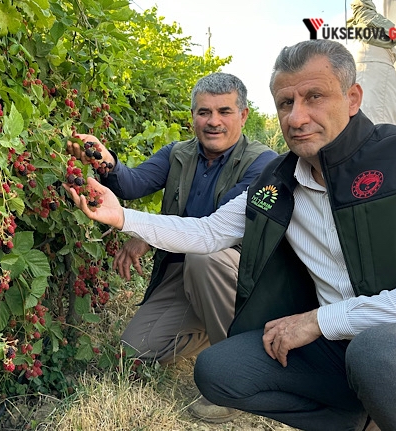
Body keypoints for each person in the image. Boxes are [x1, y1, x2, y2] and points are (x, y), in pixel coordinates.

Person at [65, 39, 396, 431]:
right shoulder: (279, 182)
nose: (297, 117)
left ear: (353, 98)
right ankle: (356, 418)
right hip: (339, 348)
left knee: (379, 351)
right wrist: (121, 217)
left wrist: (317, 321)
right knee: (220, 369)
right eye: (286, 103)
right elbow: (209, 231)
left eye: (314, 96)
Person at [66, 72, 277, 423]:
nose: (213, 122)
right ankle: (212, 329)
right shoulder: (178, 154)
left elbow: (215, 231)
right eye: (203, 112)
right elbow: (133, 184)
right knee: (132, 352)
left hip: (235, 275)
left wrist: (143, 232)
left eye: (224, 111)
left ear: (243, 115)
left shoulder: (262, 164)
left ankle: (238, 378)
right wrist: (106, 161)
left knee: (204, 258)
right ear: (192, 116)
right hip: (184, 272)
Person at [346, 0, 396, 125]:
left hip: (378, 75)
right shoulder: (365, 27)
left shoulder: (363, 30)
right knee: (373, 118)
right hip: (371, 75)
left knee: (379, 119)